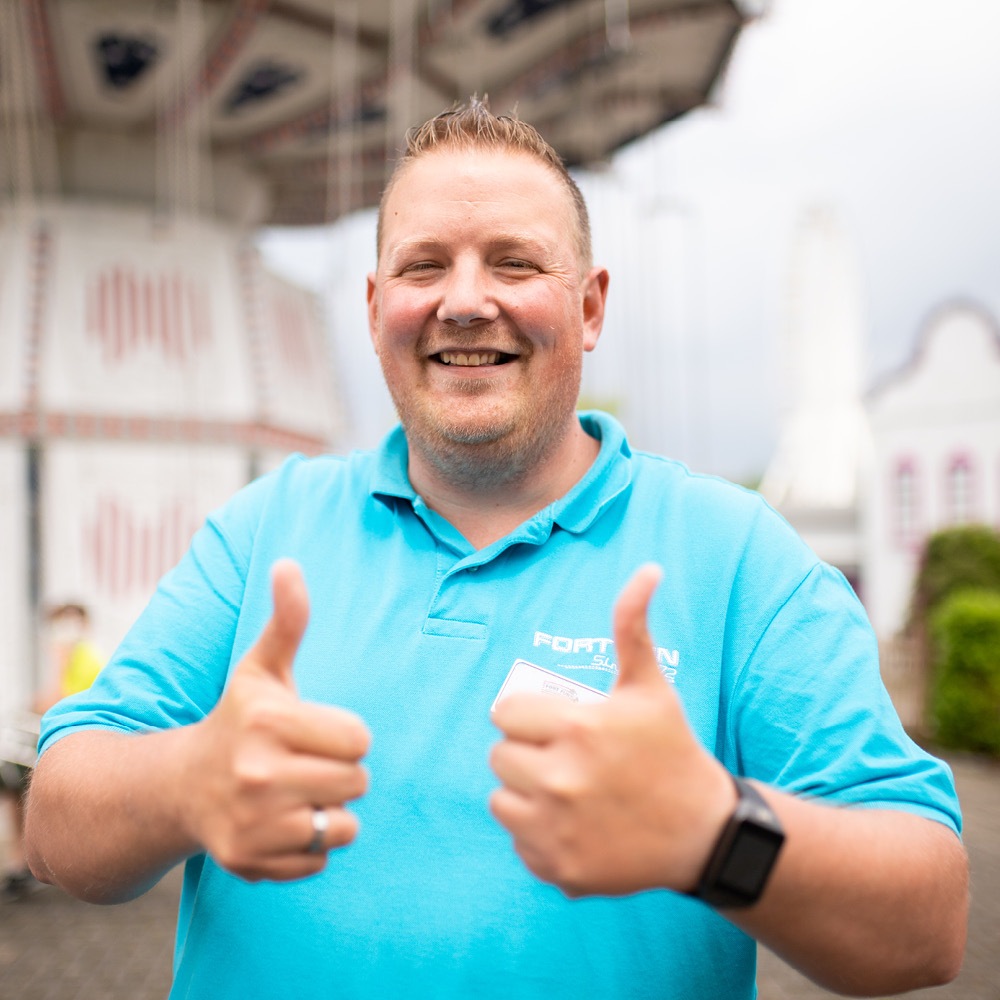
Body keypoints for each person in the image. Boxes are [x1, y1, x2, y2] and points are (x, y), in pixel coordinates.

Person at [25, 100, 967, 997]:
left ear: (591, 307)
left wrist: (720, 834)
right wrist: (187, 782)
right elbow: (57, 828)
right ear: (374, 303)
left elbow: (928, 922)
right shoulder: (263, 529)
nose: (465, 302)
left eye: (514, 263)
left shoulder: (735, 557)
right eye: (424, 266)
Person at [2, 603, 103, 901]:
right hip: (66, 745)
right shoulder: (79, 657)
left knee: (16, 787)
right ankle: (20, 864)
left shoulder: (81, 658)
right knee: (15, 790)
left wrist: (59, 662)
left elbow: (58, 702)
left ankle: (24, 865)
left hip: (74, 749)